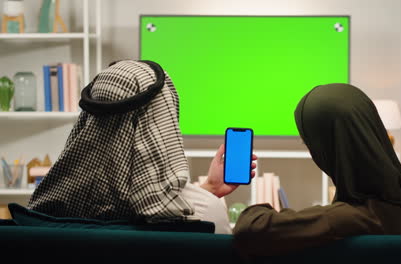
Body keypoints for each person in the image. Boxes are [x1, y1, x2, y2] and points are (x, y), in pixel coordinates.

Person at [27, 60, 256, 234]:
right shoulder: (205, 214)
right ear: (163, 120)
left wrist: (209, 187)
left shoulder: (43, 216)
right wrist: (207, 196)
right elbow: (155, 204)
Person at [232, 83, 401, 256]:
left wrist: (258, 208)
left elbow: (250, 227)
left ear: (331, 149)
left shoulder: (349, 218)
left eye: (309, 144)